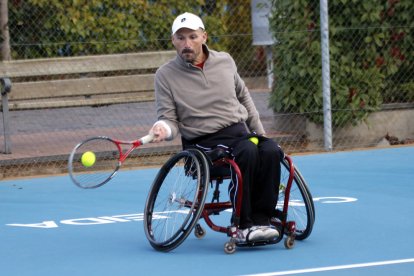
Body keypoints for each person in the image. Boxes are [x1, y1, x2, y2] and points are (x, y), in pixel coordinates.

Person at [149, 12, 283, 243]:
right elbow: (168, 119)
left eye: (192, 36)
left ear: (204, 36)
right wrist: (162, 128)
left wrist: (260, 134)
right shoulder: (165, 75)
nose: (187, 44)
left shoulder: (225, 61)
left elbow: (244, 97)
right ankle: (242, 224)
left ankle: (263, 220)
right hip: (203, 142)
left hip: (239, 132)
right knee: (247, 152)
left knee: (271, 150)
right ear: (173, 40)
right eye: (180, 38)